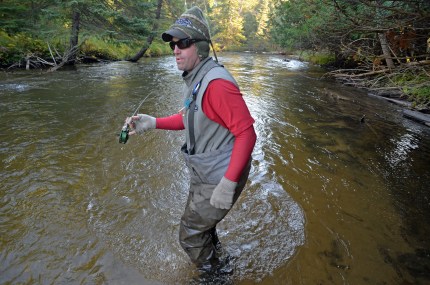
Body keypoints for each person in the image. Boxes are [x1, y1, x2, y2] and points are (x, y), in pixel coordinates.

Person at [127, 6, 256, 276]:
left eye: (183, 43)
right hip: (209, 172)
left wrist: (228, 183)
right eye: (174, 44)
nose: (175, 49)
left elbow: (247, 133)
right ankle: (220, 263)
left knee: (189, 235)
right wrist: (153, 123)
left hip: (219, 176)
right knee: (202, 229)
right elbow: (191, 118)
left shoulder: (217, 84)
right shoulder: (197, 79)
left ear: (199, 47)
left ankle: (215, 278)